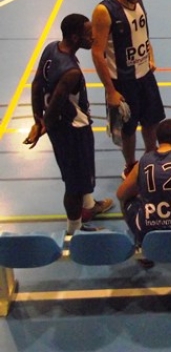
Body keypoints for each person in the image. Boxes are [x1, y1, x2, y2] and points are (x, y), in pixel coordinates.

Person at [24, 14, 113, 234]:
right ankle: (75, 230)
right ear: (75, 37)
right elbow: (54, 107)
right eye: (88, 33)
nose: (93, 37)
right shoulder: (71, 72)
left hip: (61, 129)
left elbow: (36, 85)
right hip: (73, 131)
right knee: (75, 184)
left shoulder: (52, 48)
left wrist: (38, 120)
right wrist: (44, 126)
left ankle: (90, 207)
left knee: (79, 176)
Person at [91, 0, 166, 178]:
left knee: (152, 122)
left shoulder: (137, 2)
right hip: (123, 81)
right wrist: (111, 91)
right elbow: (97, 53)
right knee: (128, 129)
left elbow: (144, 34)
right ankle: (131, 166)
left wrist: (150, 56)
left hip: (145, 76)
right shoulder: (104, 11)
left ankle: (152, 160)